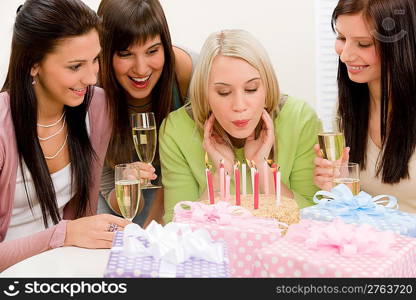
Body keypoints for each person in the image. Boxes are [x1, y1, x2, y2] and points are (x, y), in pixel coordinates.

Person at [0, 0, 129, 272]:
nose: (92, 77)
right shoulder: (3, 127)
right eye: (75, 66)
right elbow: (70, 231)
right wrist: (64, 234)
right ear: (34, 64)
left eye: (95, 60)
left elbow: (83, 212)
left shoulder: (97, 107)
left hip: (61, 267)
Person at [160, 29, 319, 222]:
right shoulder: (176, 130)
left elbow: (316, 217)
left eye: (251, 89)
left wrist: (262, 167)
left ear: (267, 88)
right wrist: (220, 175)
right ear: (205, 94)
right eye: (224, 92)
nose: (239, 106)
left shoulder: (299, 119)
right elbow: (174, 226)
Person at [97, 0, 197, 227]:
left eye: (152, 51)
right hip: (121, 196)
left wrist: (154, 228)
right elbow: (108, 189)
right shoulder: (93, 91)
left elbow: (194, 169)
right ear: (105, 52)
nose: (141, 69)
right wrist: (128, 184)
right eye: (125, 54)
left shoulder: (187, 73)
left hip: (181, 185)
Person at [313, 0, 416, 213]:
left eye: (364, 44)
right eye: (341, 38)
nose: (345, 55)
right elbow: (356, 207)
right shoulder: (347, 106)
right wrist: (334, 187)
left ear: (400, 45)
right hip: (369, 241)